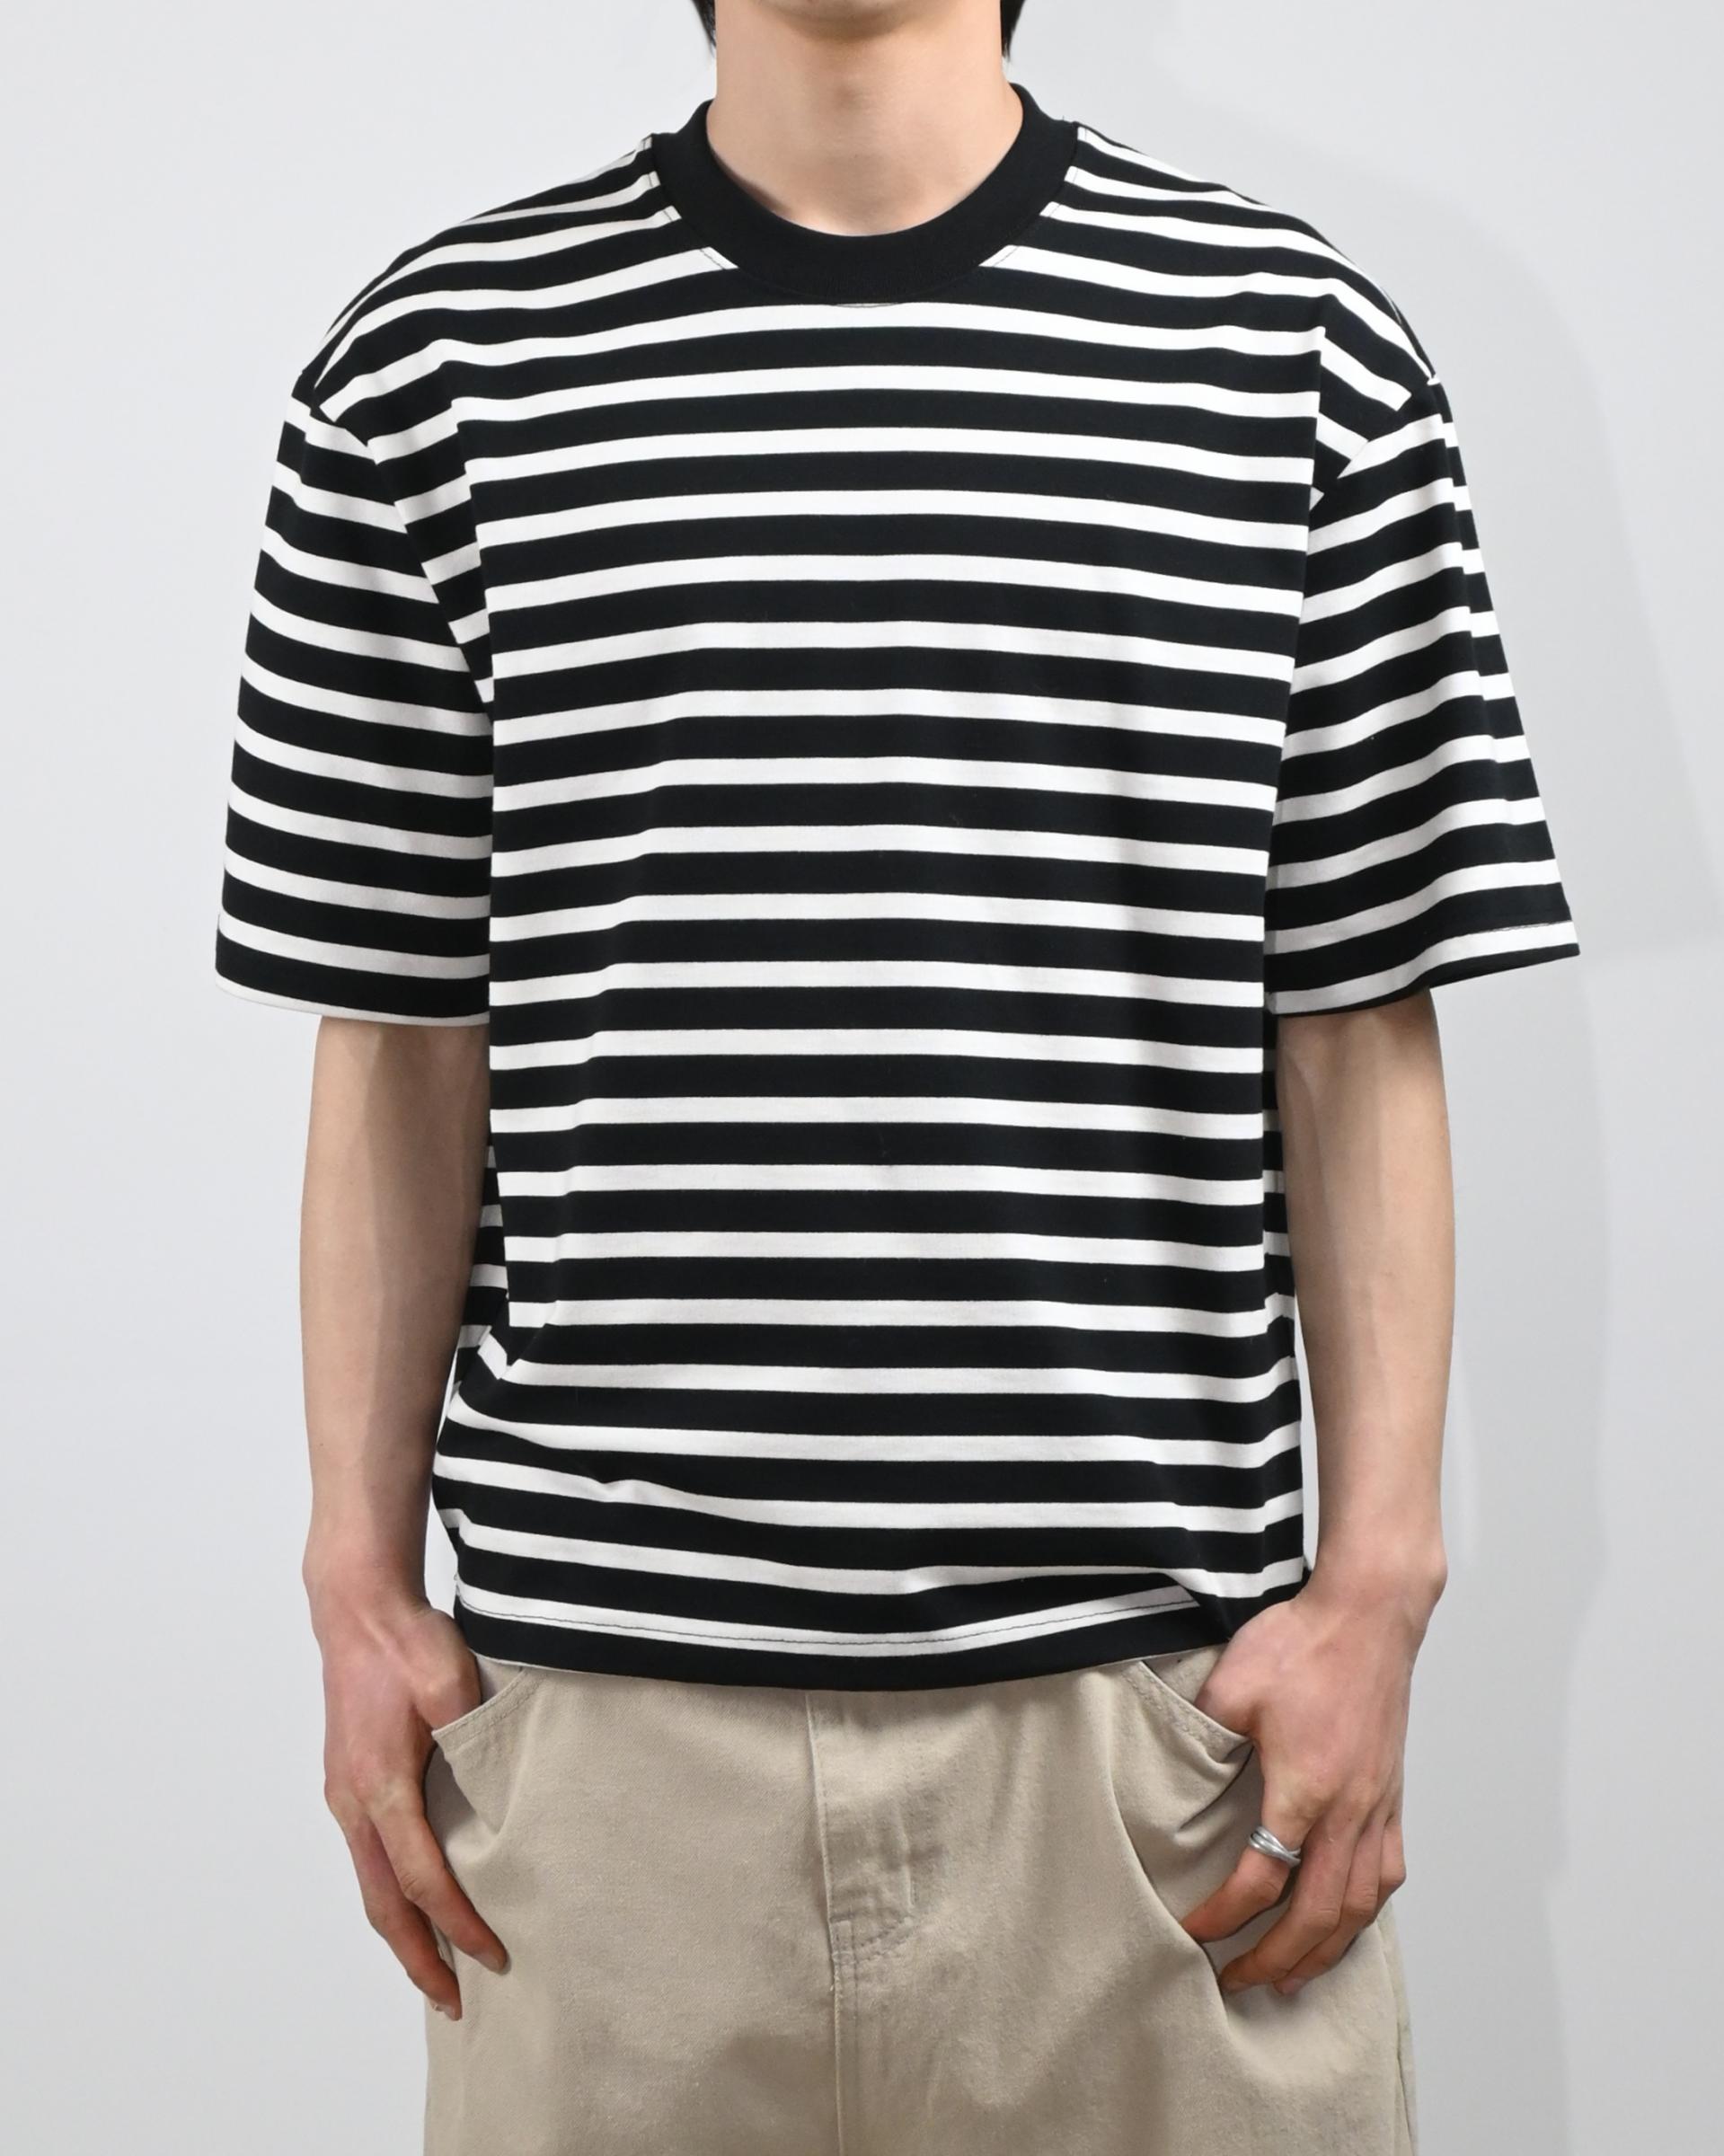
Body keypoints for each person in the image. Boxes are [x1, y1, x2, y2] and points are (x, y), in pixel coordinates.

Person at [214, 1, 1578, 2148]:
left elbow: (1358, 1014)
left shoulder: (1295, 353)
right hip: (612, 1765)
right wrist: (355, 1586)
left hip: (1162, 1749)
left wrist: (1379, 1584)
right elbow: (395, 1031)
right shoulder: (433, 368)